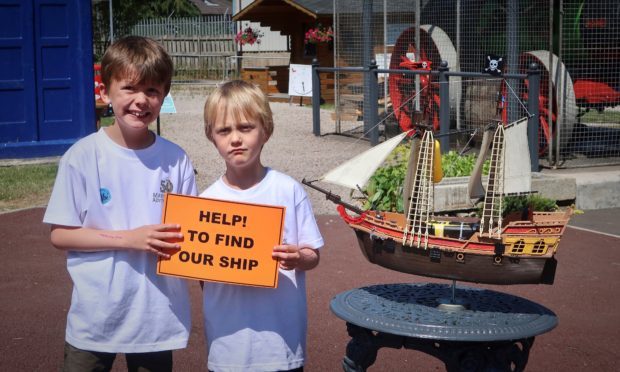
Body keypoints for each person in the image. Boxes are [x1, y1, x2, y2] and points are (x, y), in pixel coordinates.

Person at [43, 36, 197, 371]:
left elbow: (194, 235)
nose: (141, 100)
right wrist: (130, 239)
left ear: (164, 97)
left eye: (153, 91)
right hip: (96, 318)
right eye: (129, 88)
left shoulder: (176, 159)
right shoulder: (81, 157)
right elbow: (61, 235)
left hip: (157, 317)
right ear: (105, 92)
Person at [200, 80, 323, 371]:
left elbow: (313, 255)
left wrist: (298, 258)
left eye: (246, 128)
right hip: (227, 344)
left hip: (281, 343)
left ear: (265, 131)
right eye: (224, 130)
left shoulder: (289, 190)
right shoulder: (204, 202)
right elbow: (201, 273)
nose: (235, 139)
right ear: (211, 136)